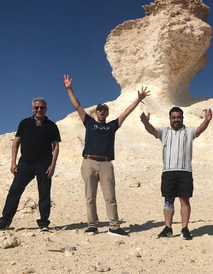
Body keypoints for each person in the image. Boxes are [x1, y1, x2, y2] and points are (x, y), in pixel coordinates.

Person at [61, 74, 149, 236]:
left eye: (105, 110)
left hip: (106, 164)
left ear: (107, 113)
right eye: (100, 110)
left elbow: (125, 113)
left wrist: (137, 100)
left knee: (110, 196)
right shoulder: (89, 122)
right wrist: (69, 89)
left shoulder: (112, 126)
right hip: (89, 162)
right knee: (90, 196)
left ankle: (114, 226)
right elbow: (77, 106)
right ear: (96, 113)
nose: (102, 112)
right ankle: (92, 225)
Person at [140, 106, 212, 240]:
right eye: (173, 117)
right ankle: (168, 228)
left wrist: (206, 121)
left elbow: (199, 130)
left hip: (185, 171)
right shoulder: (164, 131)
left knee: (184, 200)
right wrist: (145, 122)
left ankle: (184, 229)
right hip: (168, 171)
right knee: (168, 200)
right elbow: (152, 131)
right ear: (170, 119)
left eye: (178, 117)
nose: (176, 120)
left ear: (182, 118)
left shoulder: (189, 131)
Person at [0, 97, 61, 232]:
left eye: (42, 107)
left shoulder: (52, 126)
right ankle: (5, 221)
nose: (39, 110)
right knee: (15, 191)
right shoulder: (24, 123)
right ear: (32, 109)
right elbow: (16, 142)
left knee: (44, 193)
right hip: (25, 163)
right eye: (36, 107)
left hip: (44, 164)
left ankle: (43, 223)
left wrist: (52, 165)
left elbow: (55, 146)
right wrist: (13, 162)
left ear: (46, 109)